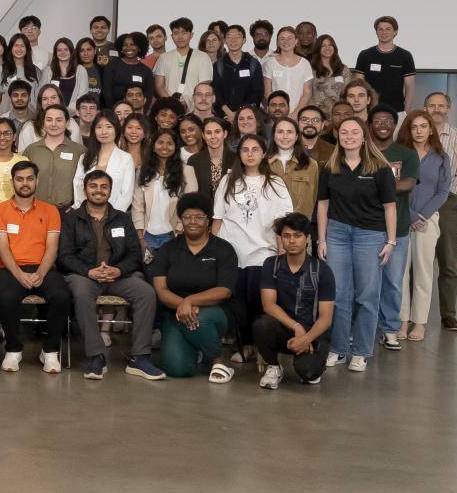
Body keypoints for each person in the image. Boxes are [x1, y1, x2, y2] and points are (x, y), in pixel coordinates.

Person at [57, 170, 164, 380]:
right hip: (84, 276)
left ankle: (139, 358)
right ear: (85, 190)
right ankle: (96, 356)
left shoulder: (122, 218)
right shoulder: (71, 219)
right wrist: (89, 271)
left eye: (104, 187)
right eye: (93, 186)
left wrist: (119, 270)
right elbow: (64, 256)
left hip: (118, 276)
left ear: (110, 190)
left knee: (146, 293)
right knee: (81, 294)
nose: (98, 190)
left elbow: (134, 254)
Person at [316, 117, 397, 372]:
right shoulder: (330, 167)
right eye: (344, 132)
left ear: (364, 137)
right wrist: (322, 239)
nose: (349, 136)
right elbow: (323, 205)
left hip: (370, 236)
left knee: (367, 296)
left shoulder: (379, 168)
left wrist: (391, 241)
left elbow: (390, 207)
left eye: (354, 132)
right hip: (337, 234)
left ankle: (361, 352)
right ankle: (338, 349)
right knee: (339, 295)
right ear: (338, 136)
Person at [212, 135, 293, 360]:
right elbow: (218, 219)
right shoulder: (228, 181)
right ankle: (245, 345)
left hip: (263, 252)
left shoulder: (275, 183)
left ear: (264, 153)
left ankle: (261, 346)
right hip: (232, 251)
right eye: (245, 149)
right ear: (238, 154)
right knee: (237, 303)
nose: (250, 154)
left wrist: (282, 255)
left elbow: (282, 224)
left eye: (255, 149)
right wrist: (212, 251)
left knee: (257, 299)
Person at [0, 161, 69, 375]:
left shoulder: (51, 211)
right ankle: (13, 349)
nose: (25, 183)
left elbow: (52, 248)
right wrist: (19, 274)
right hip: (9, 268)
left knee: (62, 296)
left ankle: (50, 351)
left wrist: (40, 273)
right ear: (12, 182)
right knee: (7, 297)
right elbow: (2, 249)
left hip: (43, 267)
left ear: (37, 181)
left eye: (29, 178)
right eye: (20, 179)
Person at [150, 194, 239, 381]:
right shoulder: (168, 249)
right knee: (177, 368)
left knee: (200, 318)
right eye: (187, 217)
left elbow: (224, 290)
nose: (192, 222)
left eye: (199, 217)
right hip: (176, 313)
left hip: (215, 312)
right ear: (181, 219)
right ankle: (198, 347)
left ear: (208, 220)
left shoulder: (223, 249)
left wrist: (189, 301)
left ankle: (218, 360)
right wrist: (182, 305)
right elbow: (161, 290)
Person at [256, 213, 336, 388]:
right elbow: (268, 305)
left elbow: (326, 317)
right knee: (262, 325)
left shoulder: (322, 270)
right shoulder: (271, 264)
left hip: (313, 332)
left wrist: (306, 338)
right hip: (285, 327)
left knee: (309, 373)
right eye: (286, 236)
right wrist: (296, 327)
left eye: (297, 235)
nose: (291, 241)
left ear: (307, 238)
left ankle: (310, 361)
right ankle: (273, 366)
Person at [398, 109, 452, 342]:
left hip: (427, 221)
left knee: (423, 272)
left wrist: (422, 216)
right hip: (401, 217)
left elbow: (443, 192)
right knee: (400, 274)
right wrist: (410, 216)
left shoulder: (441, 157)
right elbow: (393, 186)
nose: (419, 131)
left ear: (431, 129)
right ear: (408, 130)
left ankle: (419, 322)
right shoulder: (400, 154)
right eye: (414, 127)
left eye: (423, 126)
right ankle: (401, 321)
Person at [370, 107, 419, 352]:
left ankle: (389, 329)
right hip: (367, 227)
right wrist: (389, 185)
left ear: (394, 125)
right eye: (378, 121)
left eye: (388, 121)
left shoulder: (406, 154)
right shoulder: (365, 151)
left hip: (398, 229)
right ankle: (363, 329)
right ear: (370, 125)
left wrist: (375, 185)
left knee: (393, 282)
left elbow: (408, 183)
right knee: (365, 284)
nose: (383, 124)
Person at [424, 92, 457, 333]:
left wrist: (439, 195)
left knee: (448, 260)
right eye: (432, 105)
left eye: (441, 106)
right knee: (415, 262)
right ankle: (412, 315)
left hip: (447, 202)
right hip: (418, 202)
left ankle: (449, 315)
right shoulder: (415, 134)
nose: (436, 110)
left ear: (448, 109)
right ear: (425, 108)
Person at [132, 128, 197, 258]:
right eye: (160, 142)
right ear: (153, 146)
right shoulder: (142, 171)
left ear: (175, 147)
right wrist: (140, 237)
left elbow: (191, 205)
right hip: (147, 235)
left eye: (170, 143)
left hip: (173, 234)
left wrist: (180, 229)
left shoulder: (187, 171)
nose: (165, 147)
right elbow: (137, 205)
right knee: (149, 270)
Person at [72, 111, 136, 213]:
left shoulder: (126, 159)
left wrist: (111, 216)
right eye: (99, 127)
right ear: (94, 130)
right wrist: (86, 212)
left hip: (114, 215)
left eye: (109, 127)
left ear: (116, 129)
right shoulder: (85, 157)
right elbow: (78, 186)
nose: (104, 132)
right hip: (85, 214)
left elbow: (126, 194)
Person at [355, 15, 416, 114]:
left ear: (395, 32)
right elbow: (358, 85)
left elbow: (409, 88)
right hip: (370, 111)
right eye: (380, 29)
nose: (384, 32)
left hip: (397, 111)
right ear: (376, 32)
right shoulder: (365, 55)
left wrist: (406, 112)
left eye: (388, 29)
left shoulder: (405, 56)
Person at [267, 117, 319, 219]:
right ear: (273, 136)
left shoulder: (311, 165)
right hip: (268, 225)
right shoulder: (262, 163)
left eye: (289, 132)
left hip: (298, 225)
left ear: (296, 137)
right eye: (280, 132)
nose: (285, 136)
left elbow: (312, 200)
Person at [213, 23, 264, 120]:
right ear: (224, 40)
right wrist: (228, 113)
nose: (233, 40)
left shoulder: (253, 64)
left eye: (237, 37)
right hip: (224, 117)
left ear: (244, 40)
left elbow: (258, 93)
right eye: (229, 37)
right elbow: (216, 92)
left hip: (248, 117)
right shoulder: (218, 65)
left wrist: (239, 113)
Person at [262, 26, 313, 114]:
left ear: (296, 41)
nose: (286, 42)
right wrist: (277, 111)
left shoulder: (305, 64)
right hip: (276, 113)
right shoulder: (270, 63)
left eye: (290, 38)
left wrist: (295, 113)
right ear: (278, 42)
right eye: (282, 39)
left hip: (298, 114)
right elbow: (267, 92)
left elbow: (307, 93)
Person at [308, 34, 359, 114]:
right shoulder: (311, 69)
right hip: (318, 113)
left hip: (340, 113)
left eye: (330, 45)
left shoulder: (344, 69)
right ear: (318, 49)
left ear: (334, 47)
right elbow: (307, 94)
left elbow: (349, 92)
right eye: (323, 46)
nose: (327, 48)